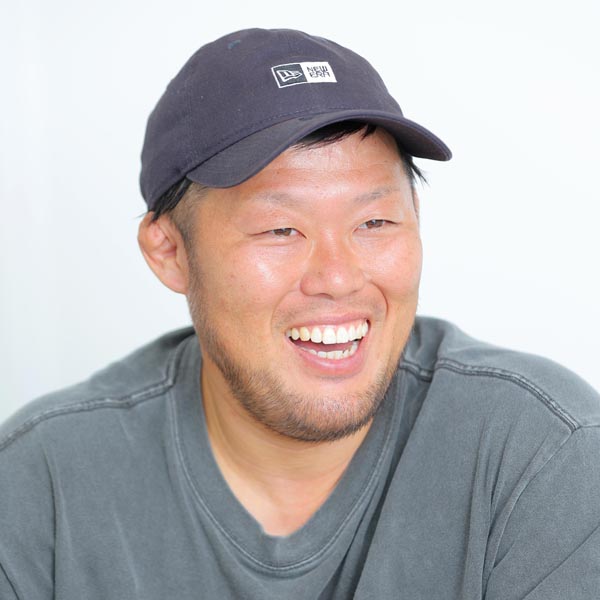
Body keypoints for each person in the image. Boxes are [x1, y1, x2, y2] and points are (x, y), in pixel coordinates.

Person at [1, 27, 599, 600]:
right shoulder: (40, 485)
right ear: (170, 252)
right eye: (280, 229)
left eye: (375, 222)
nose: (338, 278)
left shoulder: (542, 456)